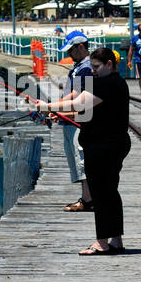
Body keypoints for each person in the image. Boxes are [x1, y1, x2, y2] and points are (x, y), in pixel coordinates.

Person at [34, 46, 131, 256]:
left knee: (101, 194)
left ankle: (102, 243)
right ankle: (116, 240)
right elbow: (89, 111)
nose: (93, 70)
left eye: (96, 67)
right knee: (110, 193)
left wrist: (48, 107)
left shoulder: (106, 83)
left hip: (104, 147)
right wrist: (61, 114)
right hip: (113, 144)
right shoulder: (116, 82)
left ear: (109, 65)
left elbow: (79, 104)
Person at [54, 31, 95, 213]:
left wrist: (55, 108)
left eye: (71, 50)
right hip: (71, 120)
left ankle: (88, 200)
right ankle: (87, 198)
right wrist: (57, 108)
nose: (69, 55)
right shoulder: (79, 66)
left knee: (82, 162)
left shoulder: (86, 68)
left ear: (80, 47)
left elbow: (79, 98)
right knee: (78, 162)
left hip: (78, 123)